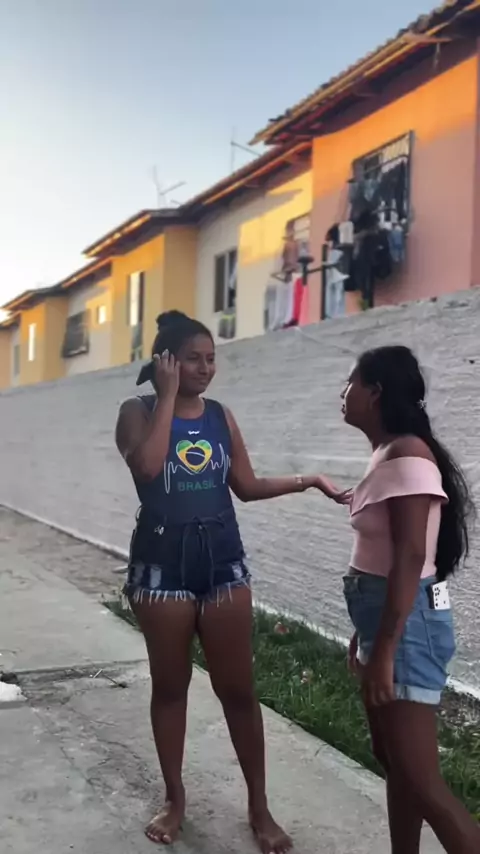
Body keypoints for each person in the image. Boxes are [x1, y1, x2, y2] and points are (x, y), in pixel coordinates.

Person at [115, 310, 350, 851]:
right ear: (167, 361)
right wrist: (166, 397)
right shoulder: (137, 411)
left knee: (239, 690)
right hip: (161, 567)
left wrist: (308, 480)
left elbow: (244, 484)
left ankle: (259, 807)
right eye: (192, 359)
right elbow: (147, 468)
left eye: (211, 359)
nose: (205, 368)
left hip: (222, 562)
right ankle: (175, 800)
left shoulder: (220, 416)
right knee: (170, 688)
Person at [341, 345, 480, 854]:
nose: (343, 393)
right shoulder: (389, 452)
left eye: (351, 383)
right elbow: (384, 559)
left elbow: (410, 556)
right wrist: (366, 632)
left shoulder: (407, 455)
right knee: (395, 761)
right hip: (390, 622)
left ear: (375, 392)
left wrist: (383, 650)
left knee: (423, 781)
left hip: (407, 631)